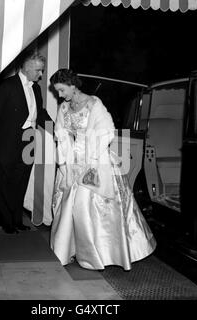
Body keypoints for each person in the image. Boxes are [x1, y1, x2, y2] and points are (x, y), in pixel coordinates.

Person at [49, 69, 156, 270]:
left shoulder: (94, 104)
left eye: (61, 90)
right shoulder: (64, 108)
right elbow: (61, 134)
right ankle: (68, 250)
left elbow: (106, 132)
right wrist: (66, 162)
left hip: (95, 160)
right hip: (73, 161)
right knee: (68, 206)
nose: (60, 95)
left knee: (84, 205)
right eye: (57, 92)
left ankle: (97, 254)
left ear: (73, 85)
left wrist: (91, 160)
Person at [0, 51, 52, 234]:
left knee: (21, 182)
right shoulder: (6, 86)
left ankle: (17, 219)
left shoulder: (35, 88)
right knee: (4, 182)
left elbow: (40, 113)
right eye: (38, 70)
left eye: (41, 71)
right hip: (7, 142)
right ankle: (7, 223)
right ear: (27, 68)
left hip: (28, 141)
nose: (41, 75)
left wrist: (56, 129)